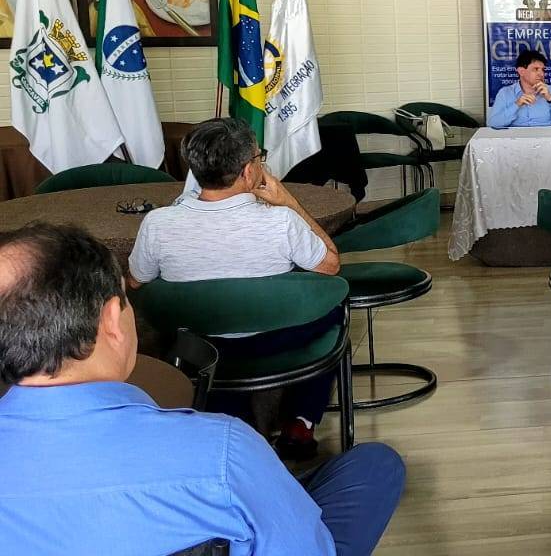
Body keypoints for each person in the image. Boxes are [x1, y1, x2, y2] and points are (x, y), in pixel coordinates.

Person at [0, 223, 406, 555]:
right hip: (243, 463)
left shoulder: (161, 225)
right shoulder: (221, 451)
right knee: (373, 465)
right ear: (110, 319)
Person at [128, 117, 341, 459]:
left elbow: (136, 281)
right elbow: (331, 265)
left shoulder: (157, 224)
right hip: (273, 340)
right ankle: (300, 421)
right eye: (259, 158)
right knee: (333, 305)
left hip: (198, 344)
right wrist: (288, 201)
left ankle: (226, 426)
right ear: (247, 171)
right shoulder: (281, 221)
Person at [487, 50, 551, 128]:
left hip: (546, 139)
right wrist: (517, 104)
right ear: (521, 71)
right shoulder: (505, 93)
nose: (541, 74)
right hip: (516, 140)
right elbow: (493, 124)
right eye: (536, 69)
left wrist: (550, 99)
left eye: (543, 70)